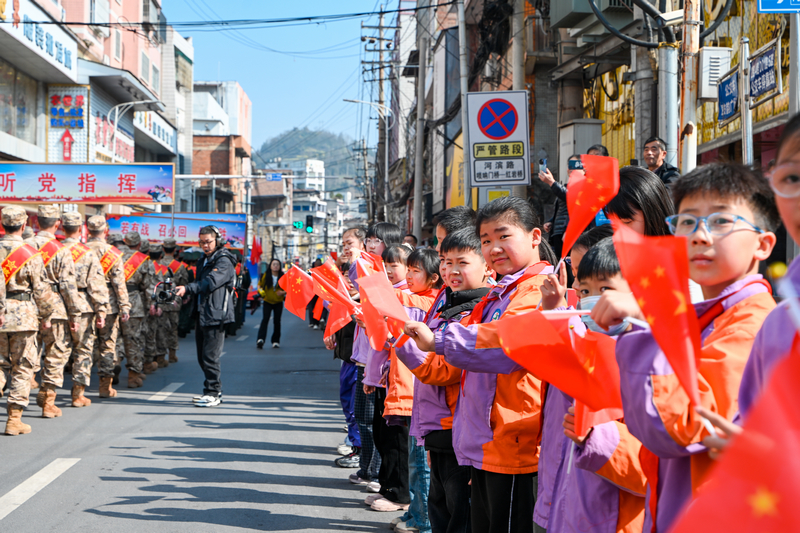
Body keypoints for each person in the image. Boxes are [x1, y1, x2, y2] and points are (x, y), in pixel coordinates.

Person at [593, 163, 779, 532]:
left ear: (763, 243)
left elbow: (679, 426)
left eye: (722, 221)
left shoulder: (752, 322)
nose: (700, 236)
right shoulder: (704, 315)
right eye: (688, 221)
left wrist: (651, 321)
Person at [405, 196, 558, 533]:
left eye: (503, 236)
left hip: (515, 442)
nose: (494, 247)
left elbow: (505, 341)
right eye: (486, 240)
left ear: (534, 237)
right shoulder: (500, 293)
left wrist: (438, 341)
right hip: (487, 441)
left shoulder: (538, 289)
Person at [538, 238, 647, 533]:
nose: (592, 300)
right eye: (584, 291)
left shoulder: (652, 360)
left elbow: (653, 472)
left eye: (605, 289)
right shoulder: (591, 347)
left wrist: (597, 437)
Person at [394, 228, 493, 533]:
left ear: (487, 265)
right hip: (438, 427)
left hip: (455, 431)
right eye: (446, 262)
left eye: (461, 262)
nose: (451, 270)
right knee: (440, 507)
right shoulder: (448, 303)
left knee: (456, 513)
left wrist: (406, 347)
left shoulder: (476, 312)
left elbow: (445, 369)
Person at [0, 206, 56, 435]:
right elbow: (41, 289)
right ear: (23, 226)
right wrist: (46, 316)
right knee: (22, 366)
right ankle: (14, 420)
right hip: (23, 315)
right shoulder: (29, 253)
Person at [26, 205, 82, 419]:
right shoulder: (61, 250)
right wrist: (75, 315)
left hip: (27, 307)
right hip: (55, 308)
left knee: (26, 354)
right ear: (57, 223)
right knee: (55, 354)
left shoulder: (23, 247)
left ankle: (25, 388)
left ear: (36, 222)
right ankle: (48, 400)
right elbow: (68, 286)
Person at [175, 226, 237, 408]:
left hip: (217, 313)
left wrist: (188, 289)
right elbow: (198, 284)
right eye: (201, 242)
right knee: (202, 357)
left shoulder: (224, 260)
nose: (205, 245)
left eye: (208, 242)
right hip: (202, 312)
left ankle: (213, 392)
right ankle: (212, 390)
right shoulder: (203, 260)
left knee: (211, 357)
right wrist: (185, 291)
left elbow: (209, 283)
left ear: (217, 240)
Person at [60, 212, 109, 408]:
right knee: (83, 350)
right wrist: (101, 311)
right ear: (81, 229)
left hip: (58, 305)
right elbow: (96, 285)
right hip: (83, 307)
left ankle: (48, 396)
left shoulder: (53, 250)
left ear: (62, 228)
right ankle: (78, 394)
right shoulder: (87, 253)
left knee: (57, 351)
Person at [86, 217, 130, 399]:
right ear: (106, 231)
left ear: (88, 231)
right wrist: (124, 306)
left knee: (84, 346)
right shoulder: (113, 253)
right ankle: (104, 386)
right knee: (107, 346)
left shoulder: (78, 251)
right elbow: (119, 284)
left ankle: (78, 390)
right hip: (109, 305)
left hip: (84, 303)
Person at [117, 232, 157, 388]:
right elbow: (147, 285)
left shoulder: (114, 256)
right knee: (133, 340)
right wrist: (150, 305)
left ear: (124, 242)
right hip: (133, 302)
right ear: (139, 244)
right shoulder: (143, 260)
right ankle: (133, 376)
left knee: (114, 338)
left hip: (113, 301)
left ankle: (113, 364)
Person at [160, 237, 188, 363]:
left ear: (163, 249)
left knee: (159, 328)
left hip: (160, 300)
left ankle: (160, 355)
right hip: (173, 301)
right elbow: (184, 283)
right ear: (175, 250)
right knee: (172, 327)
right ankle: (172, 354)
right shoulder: (180, 266)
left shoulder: (157, 264)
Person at [257, 259, 285, 349]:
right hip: (267, 301)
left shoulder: (283, 277)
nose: (276, 266)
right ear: (270, 266)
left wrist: (283, 292)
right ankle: (260, 339)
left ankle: (276, 341)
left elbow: (288, 288)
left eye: (277, 264)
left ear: (280, 266)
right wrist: (261, 292)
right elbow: (259, 285)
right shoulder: (266, 275)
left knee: (277, 321)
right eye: (274, 264)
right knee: (265, 319)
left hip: (278, 302)